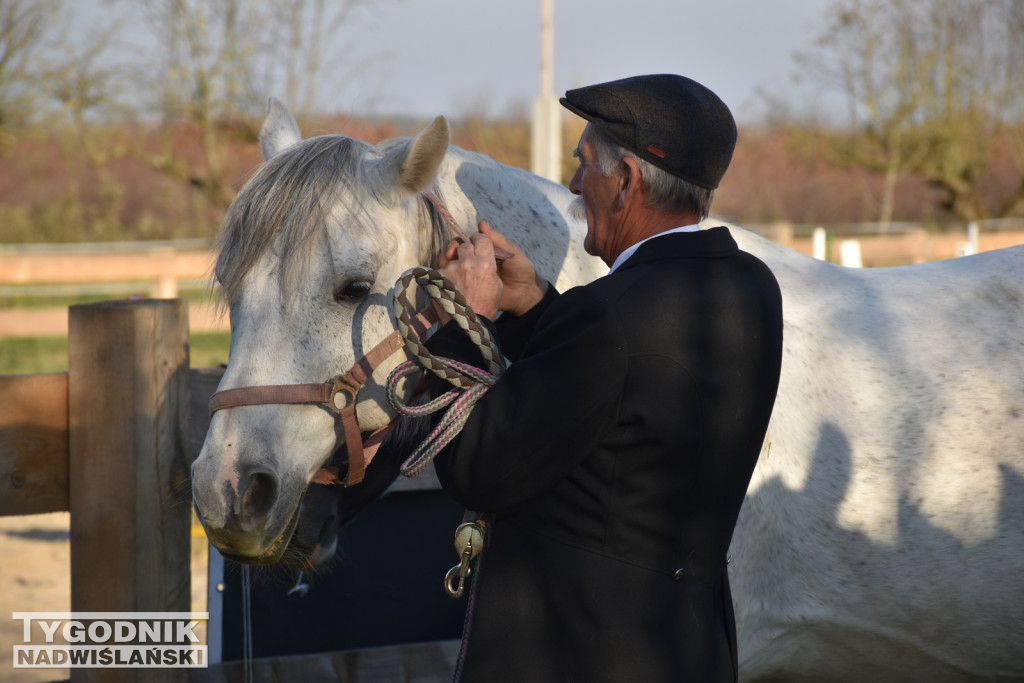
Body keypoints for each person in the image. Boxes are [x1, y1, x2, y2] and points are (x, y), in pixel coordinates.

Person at [424, 74, 784, 683]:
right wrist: (535, 304)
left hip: (580, 656)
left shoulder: (612, 316)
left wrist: (465, 317)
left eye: (583, 164)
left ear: (626, 183)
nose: (572, 183)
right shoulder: (750, 286)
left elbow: (475, 470)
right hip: (686, 652)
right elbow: (631, 385)